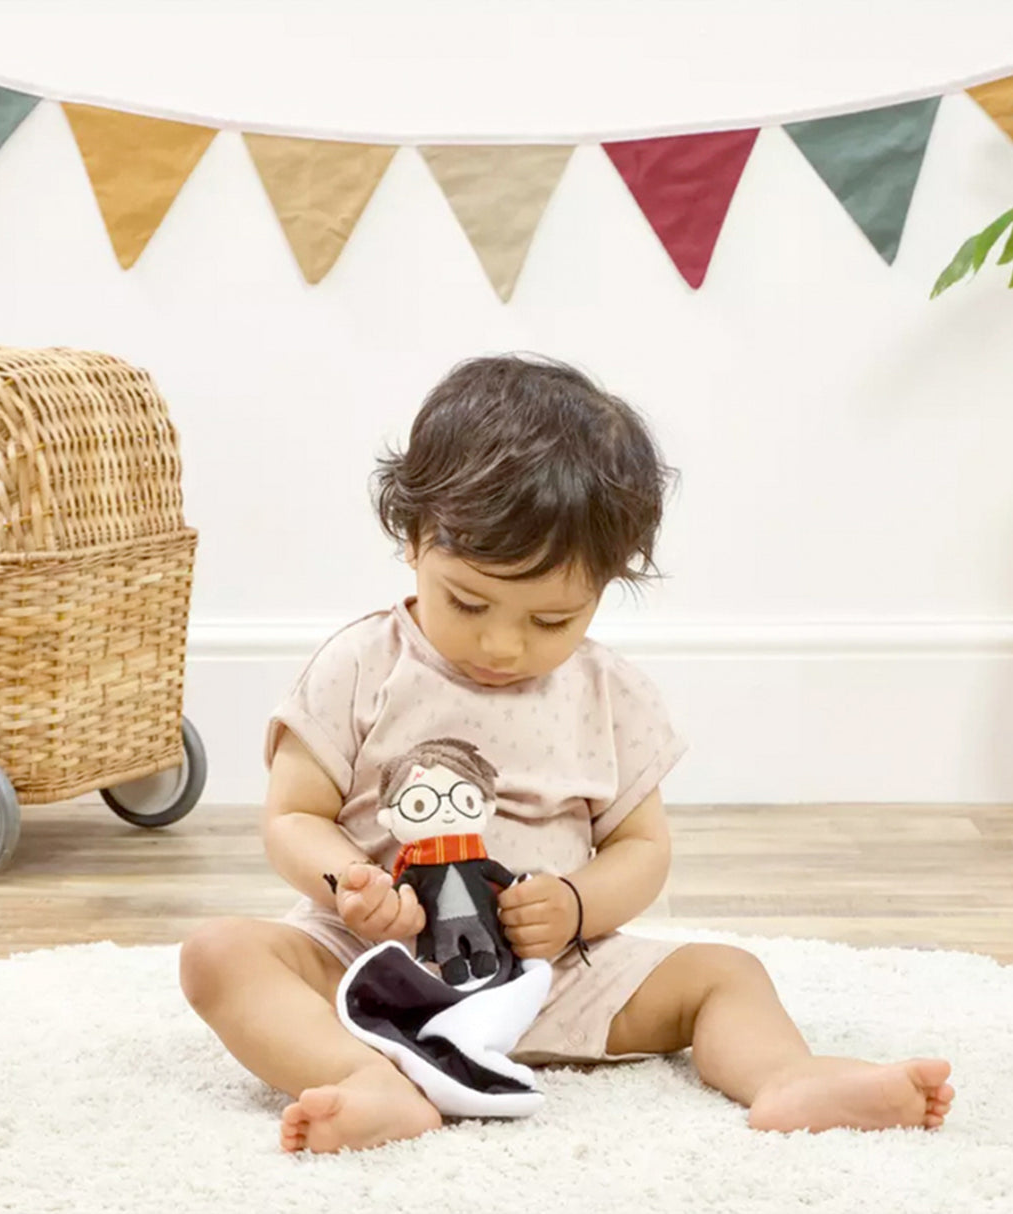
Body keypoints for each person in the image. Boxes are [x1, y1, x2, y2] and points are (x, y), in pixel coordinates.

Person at [179, 354, 955, 1154]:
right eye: (469, 602)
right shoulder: (361, 664)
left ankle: (788, 1076)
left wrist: (580, 906)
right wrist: (350, 883)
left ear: (607, 585)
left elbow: (642, 848)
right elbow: (294, 815)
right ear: (413, 539)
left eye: (552, 620)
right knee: (221, 955)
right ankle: (368, 1078)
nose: (503, 644)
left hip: (556, 975)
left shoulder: (608, 694)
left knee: (725, 972)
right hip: (376, 962)